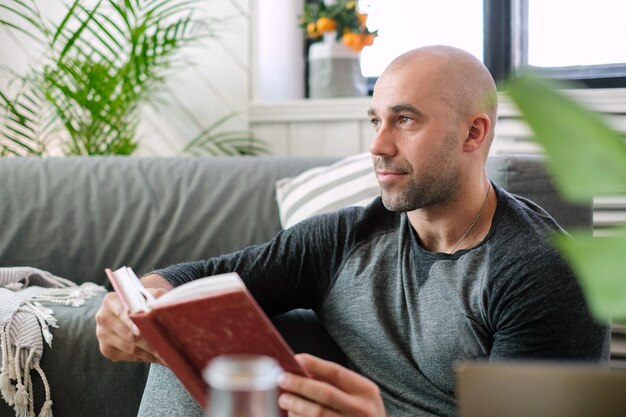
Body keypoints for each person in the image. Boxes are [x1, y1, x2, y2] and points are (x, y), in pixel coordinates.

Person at [95, 45, 609, 417]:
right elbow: (202, 278)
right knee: (191, 342)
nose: (378, 145)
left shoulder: (540, 273)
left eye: (404, 120)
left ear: (473, 132)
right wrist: (140, 304)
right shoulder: (346, 238)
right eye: (375, 120)